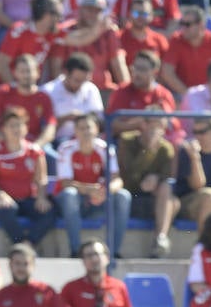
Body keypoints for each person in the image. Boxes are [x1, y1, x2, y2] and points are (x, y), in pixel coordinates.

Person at [54, 113, 132, 260]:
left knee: (123, 196)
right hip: (74, 202)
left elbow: (117, 180)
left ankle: (113, 252)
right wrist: (91, 190)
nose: (85, 132)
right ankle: (76, 251)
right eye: (81, 128)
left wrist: (105, 191)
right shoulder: (66, 148)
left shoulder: (105, 148)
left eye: (89, 127)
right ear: (75, 131)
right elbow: (65, 183)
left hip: (98, 199)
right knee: (70, 194)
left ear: (97, 129)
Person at [0, 107, 56, 247]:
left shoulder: (34, 152)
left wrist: (41, 197)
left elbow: (41, 179)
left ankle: (29, 243)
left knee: (49, 211)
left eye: (19, 125)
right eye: (12, 125)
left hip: (26, 198)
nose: (16, 129)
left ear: (26, 128)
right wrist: (1, 196)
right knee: (8, 209)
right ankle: (20, 244)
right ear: (4, 129)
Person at [115, 116, 177, 259]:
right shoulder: (127, 141)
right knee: (172, 204)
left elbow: (167, 177)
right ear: (143, 125)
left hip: (152, 200)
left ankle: (160, 239)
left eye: (159, 127)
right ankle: (159, 242)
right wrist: (149, 150)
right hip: (129, 197)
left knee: (172, 199)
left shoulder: (166, 148)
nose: (155, 131)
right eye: (152, 126)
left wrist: (156, 179)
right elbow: (130, 173)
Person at [44, 53, 105, 144]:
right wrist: (66, 118)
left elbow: (101, 122)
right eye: (77, 80)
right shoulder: (48, 91)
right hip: (56, 142)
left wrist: (87, 119)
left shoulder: (91, 89)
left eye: (84, 81)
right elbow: (41, 128)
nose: (81, 85)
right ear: (66, 73)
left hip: (88, 141)